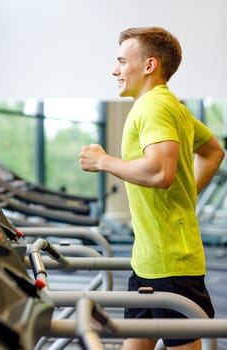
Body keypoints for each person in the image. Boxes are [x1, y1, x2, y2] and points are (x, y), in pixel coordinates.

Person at [79, 27, 225, 350]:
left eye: (121, 61)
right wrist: (188, 196)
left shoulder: (153, 107)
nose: (114, 70)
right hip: (147, 262)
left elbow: (160, 171)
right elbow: (214, 151)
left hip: (171, 266)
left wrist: (104, 161)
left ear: (149, 65)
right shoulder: (170, 106)